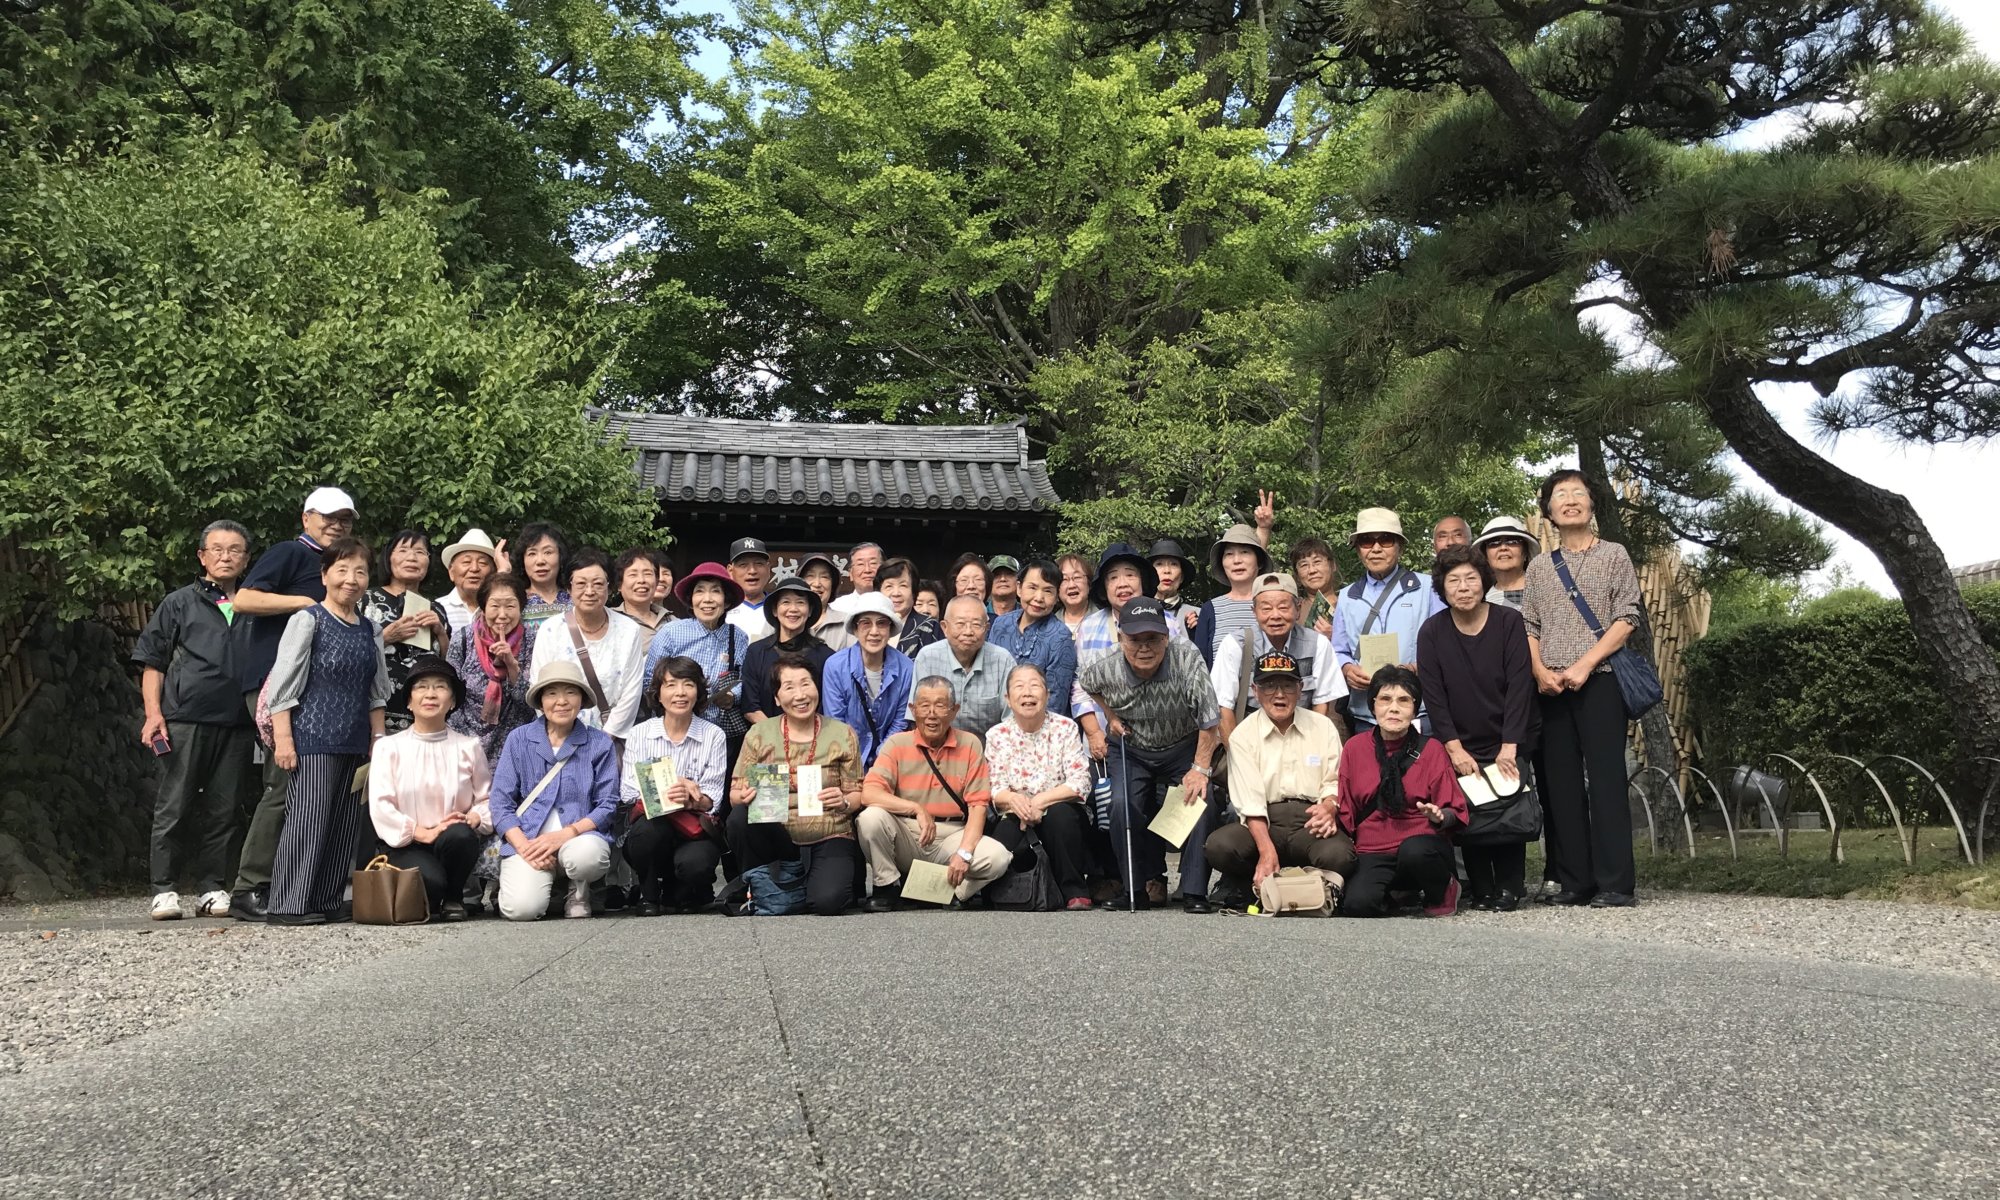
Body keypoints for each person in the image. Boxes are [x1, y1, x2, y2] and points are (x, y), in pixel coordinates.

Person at [226, 485, 354, 921]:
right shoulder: (290, 553)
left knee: (314, 790)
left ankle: (301, 887)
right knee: (285, 781)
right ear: (306, 519)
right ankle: (251, 886)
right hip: (275, 685)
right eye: (328, 516)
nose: (336, 524)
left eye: (345, 519)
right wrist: (304, 603)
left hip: (317, 693)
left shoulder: (337, 566)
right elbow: (242, 598)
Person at [1523, 469, 1643, 908]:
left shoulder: (1614, 554)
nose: (1570, 500)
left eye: (1578, 493)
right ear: (1549, 510)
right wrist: (1539, 670)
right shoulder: (1538, 565)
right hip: (1551, 687)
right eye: (1560, 495)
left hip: (1602, 681)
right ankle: (1575, 881)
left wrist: (1585, 665)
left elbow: (1627, 617)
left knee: (1607, 781)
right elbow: (1530, 624)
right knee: (1561, 783)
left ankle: (1616, 883)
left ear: (1592, 504)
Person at [263, 537, 392, 925]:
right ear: (324, 575)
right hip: (312, 736)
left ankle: (326, 899)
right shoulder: (308, 620)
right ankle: (287, 904)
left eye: (360, 571)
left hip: (355, 739)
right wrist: (284, 740)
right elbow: (283, 686)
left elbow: (377, 692)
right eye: (341, 569)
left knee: (342, 823)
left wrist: (378, 741)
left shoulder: (371, 629)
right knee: (308, 818)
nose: (350, 579)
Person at [134, 519, 255, 920]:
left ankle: (211, 887)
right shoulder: (179, 602)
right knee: (175, 804)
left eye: (235, 549)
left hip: (239, 721)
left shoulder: (257, 603)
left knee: (225, 808)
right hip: (185, 717)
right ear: (202, 556)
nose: (225, 556)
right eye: (217, 549)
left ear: (246, 557)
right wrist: (155, 715)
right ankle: (164, 889)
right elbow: (153, 662)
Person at [1078, 598, 1222, 913]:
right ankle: (1135, 888)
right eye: (1134, 639)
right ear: (1120, 638)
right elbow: (1086, 684)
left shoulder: (1186, 657)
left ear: (1166, 638)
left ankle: (1195, 890)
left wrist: (1199, 768)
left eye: (1153, 639)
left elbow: (1210, 719)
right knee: (1121, 804)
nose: (1144, 647)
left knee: (1201, 796)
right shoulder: (1104, 664)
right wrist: (1110, 715)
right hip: (1132, 748)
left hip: (1183, 744)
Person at [1418, 545, 1539, 911]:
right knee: (1471, 810)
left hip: (1508, 736)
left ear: (1483, 581)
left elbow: (1521, 685)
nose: (1464, 587)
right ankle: (1482, 887)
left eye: (1471, 578)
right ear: (1443, 587)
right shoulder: (1432, 631)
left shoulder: (1508, 622)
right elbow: (1433, 695)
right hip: (1460, 740)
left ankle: (1510, 887)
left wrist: (1510, 745)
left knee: (1509, 806)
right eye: (1454, 580)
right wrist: (1453, 747)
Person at [1203, 651, 1355, 904]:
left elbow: (1335, 779)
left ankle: (1299, 884)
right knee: (1220, 846)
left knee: (1341, 856)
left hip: (1310, 820)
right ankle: (1252, 880)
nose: (1279, 694)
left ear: (1300, 688)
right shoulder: (1243, 734)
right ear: (1255, 690)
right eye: (1269, 685)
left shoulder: (1322, 726)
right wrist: (1266, 851)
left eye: (1287, 685)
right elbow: (1249, 800)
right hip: (1265, 820)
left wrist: (1329, 807)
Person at [727, 653, 867, 916]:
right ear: (777, 698)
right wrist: (744, 796)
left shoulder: (842, 733)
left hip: (829, 832)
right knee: (739, 817)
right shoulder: (759, 733)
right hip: (777, 836)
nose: (800, 695)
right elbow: (735, 795)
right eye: (789, 687)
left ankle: (787, 892)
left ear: (817, 688)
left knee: (829, 902)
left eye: (806, 684)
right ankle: (773, 883)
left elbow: (857, 794)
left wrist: (845, 801)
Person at [856, 677, 1012, 909]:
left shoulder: (970, 744)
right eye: (924, 705)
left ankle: (949, 892)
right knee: (870, 818)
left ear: (954, 710)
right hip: (907, 832)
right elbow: (869, 793)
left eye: (940, 705)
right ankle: (887, 886)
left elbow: (978, 805)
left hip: (952, 834)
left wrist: (965, 854)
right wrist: (915, 808)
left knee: (997, 857)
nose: (931, 713)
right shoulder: (897, 744)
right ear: (912, 709)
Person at [489, 659, 618, 920]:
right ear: (540, 701)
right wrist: (524, 846)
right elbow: (500, 804)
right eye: (552, 693)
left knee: (586, 857)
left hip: (578, 839)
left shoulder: (599, 742)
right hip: (530, 839)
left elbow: (608, 804)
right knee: (521, 910)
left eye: (570, 692)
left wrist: (565, 835)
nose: (561, 701)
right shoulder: (519, 739)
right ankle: (548, 887)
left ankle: (578, 890)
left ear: (581, 699)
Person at [366, 654, 491, 921]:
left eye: (440, 686)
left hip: (450, 840)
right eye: (421, 686)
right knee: (429, 882)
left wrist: (474, 817)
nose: (430, 694)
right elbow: (381, 805)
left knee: (462, 835)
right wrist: (423, 832)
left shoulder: (468, 746)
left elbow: (486, 798)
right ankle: (435, 895)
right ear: (409, 701)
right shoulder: (389, 747)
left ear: (453, 701)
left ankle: (455, 898)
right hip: (405, 843)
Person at [1335, 666, 1467, 917]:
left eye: (1403, 700)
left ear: (1415, 709)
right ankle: (1395, 895)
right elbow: (1347, 807)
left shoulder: (1432, 749)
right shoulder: (1354, 748)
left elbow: (1455, 811)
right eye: (1385, 699)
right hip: (1373, 849)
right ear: (1372, 706)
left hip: (1422, 846)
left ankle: (1443, 890)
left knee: (1414, 850)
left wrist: (1439, 816)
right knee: (1358, 905)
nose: (1393, 708)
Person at [621, 656, 729, 915]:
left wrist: (691, 798)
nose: (680, 693)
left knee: (696, 866)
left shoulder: (713, 735)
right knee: (646, 834)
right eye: (670, 685)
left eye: (688, 684)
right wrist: (668, 787)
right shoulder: (640, 733)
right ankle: (648, 895)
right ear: (658, 694)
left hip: (692, 827)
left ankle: (680, 888)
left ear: (699, 692)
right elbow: (626, 791)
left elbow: (713, 799)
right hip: (653, 824)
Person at [984, 664, 1094, 910]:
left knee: (1060, 817)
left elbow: (1080, 782)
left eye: (1035, 686)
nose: (1028, 693)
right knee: (1002, 840)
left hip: (1058, 807)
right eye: (1019, 687)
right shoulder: (997, 735)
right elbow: (995, 786)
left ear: (1047, 694)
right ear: (1008, 699)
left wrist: (1039, 802)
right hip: (1016, 811)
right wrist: (1016, 803)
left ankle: (1073, 890)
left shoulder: (1065, 728)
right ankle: (1007, 893)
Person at [1331, 508, 1444, 737]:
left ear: (1399, 546)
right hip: (1366, 714)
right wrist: (1347, 668)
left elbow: (1446, 644)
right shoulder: (1347, 596)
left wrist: (1416, 668)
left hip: (1418, 710)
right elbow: (1339, 649)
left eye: (1385, 539)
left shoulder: (1427, 588)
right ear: (1357, 550)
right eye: (1365, 541)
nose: (1375, 548)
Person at [1072, 544, 1188, 760]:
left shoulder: (1168, 624)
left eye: (1130, 575)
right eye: (1113, 577)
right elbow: (1080, 685)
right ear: (1104, 587)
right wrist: (1094, 733)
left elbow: (1179, 681)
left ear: (1142, 582)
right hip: (1104, 743)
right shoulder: (1089, 627)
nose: (1122, 583)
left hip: (1161, 743)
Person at [528, 548, 648, 742]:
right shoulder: (551, 630)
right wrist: (560, 734)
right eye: (581, 584)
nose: (590, 592)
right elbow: (538, 685)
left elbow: (631, 692)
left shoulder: (629, 630)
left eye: (598, 584)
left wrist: (603, 741)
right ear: (569, 588)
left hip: (609, 740)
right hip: (559, 737)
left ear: (610, 588)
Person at [1210, 572, 1346, 742]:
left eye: (1283, 607)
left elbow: (1322, 702)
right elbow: (1223, 706)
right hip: (1249, 733)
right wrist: (1237, 756)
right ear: (1254, 612)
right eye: (1266, 608)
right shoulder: (1236, 644)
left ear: (1298, 608)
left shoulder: (1317, 643)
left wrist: (1311, 745)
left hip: (1301, 731)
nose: (1275, 616)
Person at [642, 563, 753, 764]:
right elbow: (650, 680)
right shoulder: (671, 633)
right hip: (672, 732)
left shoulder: (738, 637)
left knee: (712, 791)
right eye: (699, 591)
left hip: (719, 735)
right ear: (691, 600)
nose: (707, 599)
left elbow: (746, 680)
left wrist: (731, 697)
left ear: (726, 601)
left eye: (715, 592)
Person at [362, 529, 447, 735]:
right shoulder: (365, 599)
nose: (411, 557)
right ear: (389, 558)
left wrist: (440, 632)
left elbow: (447, 661)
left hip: (423, 716)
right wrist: (387, 637)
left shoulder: (436, 608)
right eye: (403, 550)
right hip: (374, 715)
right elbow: (348, 650)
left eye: (420, 552)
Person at [446, 574, 539, 763]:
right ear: (483, 607)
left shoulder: (533, 641)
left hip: (515, 748)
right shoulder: (464, 639)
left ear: (521, 607)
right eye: (495, 606)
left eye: (510, 606)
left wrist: (511, 664)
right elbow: (449, 694)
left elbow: (531, 705)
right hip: (464, 745)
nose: (502, 614)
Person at [820, 594, 915, 766]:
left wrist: (881, 762)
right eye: (865, 623)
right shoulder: (835, 666)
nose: (874, 632)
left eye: (881, 623)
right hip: (844, 759)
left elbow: (901, 723)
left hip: (890, 760)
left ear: (890, 628)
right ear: (855, 629)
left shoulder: (907, 668)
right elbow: (835, 723)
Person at [913, 597, 1018, 738]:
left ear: (986, 628)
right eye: (960, 624)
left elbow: (1011, 721)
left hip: (989, 751)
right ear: (944, 627)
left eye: (976, 625)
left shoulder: (1002, 660)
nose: (968, 632)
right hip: (938, 748)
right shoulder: (927, 657)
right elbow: (918, 717)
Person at [989, 558, 1078, 720]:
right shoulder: (1001, 624)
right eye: (1032, 587)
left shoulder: (1060, 637)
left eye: (1048, 591)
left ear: (1057, 597)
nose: (1039, 597)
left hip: (1039, 726)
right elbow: (989, 675)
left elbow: (1055, 701)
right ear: (1019, 588)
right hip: (994, 721)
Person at [741, 576, 833, 723]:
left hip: (814, 739)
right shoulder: (757, 652)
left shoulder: (826, 656)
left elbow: (828, 706)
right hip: (767, 739)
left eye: (800, 603)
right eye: (786, 602)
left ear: (809, 611)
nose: (793, 609)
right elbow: (750, 706)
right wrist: (776, 735)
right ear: (775, 610)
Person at [1191, 523, 1273, 666]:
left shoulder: (1274, 605)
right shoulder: (1210, 609)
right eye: (1229, 554)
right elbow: (1201, 665)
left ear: (1259, 562)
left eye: (1245, 552)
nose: (1237, 560)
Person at [434, 528, 500, 640]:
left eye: (482, 563)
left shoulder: (502, 610)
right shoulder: (437, 610)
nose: (474, 568)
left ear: (494, 572)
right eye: (466, 562)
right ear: (451, 571)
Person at [511, 521, 571, 631]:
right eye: (532, 553)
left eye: (548, 552)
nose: (540, 561)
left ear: (561, 556)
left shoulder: (576, 600)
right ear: (522, 560)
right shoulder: (515, 602)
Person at [877, 557, 943, 656]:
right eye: (889, 586)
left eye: (903, 585)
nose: (896, 593)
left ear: (913, 592)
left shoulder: (929, 626)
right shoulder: (868, 625)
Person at [1473, 516, 1538, 609]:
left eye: (1512, 541)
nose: (1503, 548)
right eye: (1493, 542)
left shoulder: (1543, 589)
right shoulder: (1480, 598)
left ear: (1525, 553)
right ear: (1485, 555)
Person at [1290, 537, 1342, 639]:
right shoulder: (1293, 610)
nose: (1312, 570)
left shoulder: (1350, 605)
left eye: (1317, 562)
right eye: (1304, 565)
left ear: (1333, 565)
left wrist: (1336, 636)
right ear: (1297, 576)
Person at [726, 537, 777, 641]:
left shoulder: (779, 609)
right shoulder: (722, 609)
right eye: (743, 565)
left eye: (759, 564)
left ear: (768, 569)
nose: (752, 571)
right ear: (730, 571)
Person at [614, 547, 668, 632]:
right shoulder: (608, 621)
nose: (641, 580)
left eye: (647, 574)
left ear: (657, 581)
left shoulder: (672, 622)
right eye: (633, 574)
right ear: (619, 585)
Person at [1147, 539, 1196, 627]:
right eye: (1159, 564)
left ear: (1182, 577)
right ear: (1150, 574)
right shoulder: (1137, 612)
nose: (1167, 571)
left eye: (1174, 564)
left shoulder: (1198, 615)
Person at [1056, 553, 1096, 643]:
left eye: (1077, 577)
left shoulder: (1107, 619)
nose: (1071, 585)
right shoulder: (1048, 626)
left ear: (1088, 583)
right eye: (1064, 579)